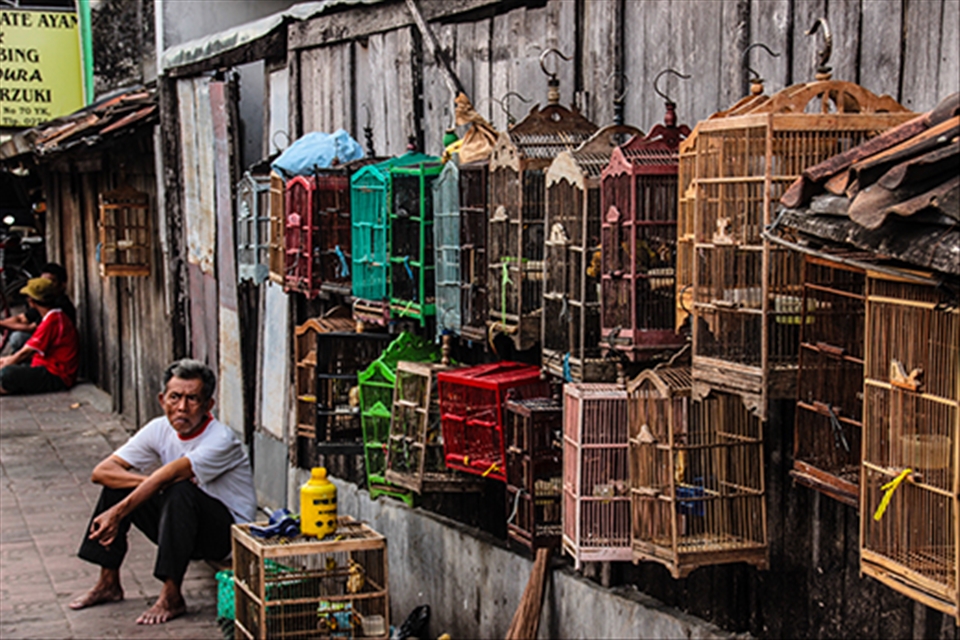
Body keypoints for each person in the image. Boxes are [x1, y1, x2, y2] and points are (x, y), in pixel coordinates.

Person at [68, 359, 257, 625]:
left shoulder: (221, 439)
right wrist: (147, 485)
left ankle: (171, 595)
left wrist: (121, 511)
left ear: (208, 405)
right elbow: (102, 471)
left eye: (193, 399)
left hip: (226, 536)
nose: (182, 407)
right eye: (175, 397)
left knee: (179, 489)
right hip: (180, 524)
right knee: (118, 487)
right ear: (162, 399)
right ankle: (108, 582)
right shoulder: (159, 428)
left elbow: (172, 475)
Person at [0, 277, 79, 394]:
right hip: (47, 365)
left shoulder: (52, 321)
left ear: (31, 301)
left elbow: (25, 352)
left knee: (7, 374)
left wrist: (6, 364)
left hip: (57, 374)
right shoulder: (54, 316)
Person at [0, 262, 76, 353]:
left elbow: (31, 328)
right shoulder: (43, 303)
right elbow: (22, 318)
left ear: (62, 285)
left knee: (18, 337)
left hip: (54, 351)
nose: (45, 285)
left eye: (50, 282)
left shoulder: (59, 308)